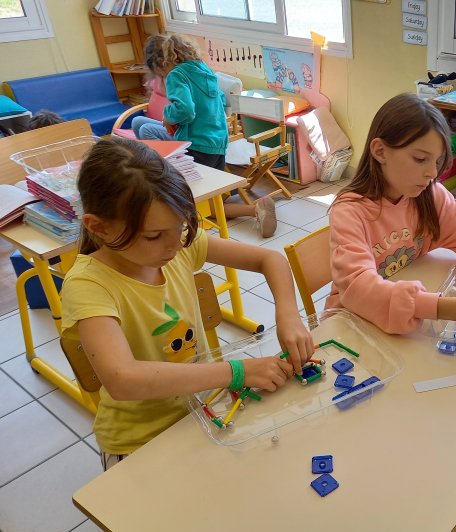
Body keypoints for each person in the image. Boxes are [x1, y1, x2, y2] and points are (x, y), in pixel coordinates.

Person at [60, 137, 314, 467]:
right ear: (99, 227)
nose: (174, 245)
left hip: (203, 411)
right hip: (141, 440)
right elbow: (123, 379)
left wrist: (288, 315)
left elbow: (270, 260)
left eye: (179, 226)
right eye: (154, 236)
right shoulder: (88, 285)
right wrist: (235, 372)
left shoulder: (178, 244)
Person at [325, 93, 456, 334]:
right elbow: (358, 287)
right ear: (380, 151)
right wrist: (448, 308)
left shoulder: (429, 195)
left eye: (436, 162)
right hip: (350, 325)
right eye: (420, 159)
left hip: (403, 323)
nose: (432, 173)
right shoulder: (349, 211)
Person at [139, 33, 277, 237]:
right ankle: (256, 208)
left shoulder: (176, 75)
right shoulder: (204, 70)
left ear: (161, 63)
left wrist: (168, 116)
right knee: (212, 197)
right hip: (217, 142)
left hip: (195, 144)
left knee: (200, 204)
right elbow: (220, 101)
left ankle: (254, 210)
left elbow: (186, 110)